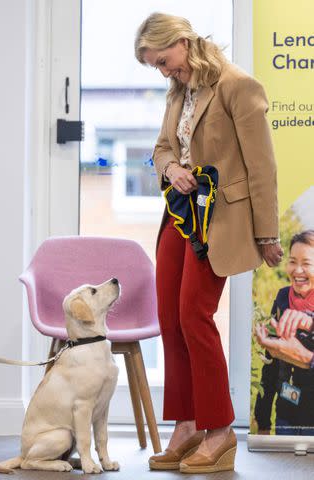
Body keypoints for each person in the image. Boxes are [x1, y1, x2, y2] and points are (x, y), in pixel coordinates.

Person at [134, 12, 283, 474]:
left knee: (193, 315)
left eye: (164, 61)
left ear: (182, 41)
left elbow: (262, 167)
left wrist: (267, 233)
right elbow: (161, 148)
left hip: (219, 221)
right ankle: (187, 424)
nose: (164, 72)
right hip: (179, 218)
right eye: (156, 67)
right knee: (168, 317)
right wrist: (170, 169)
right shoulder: (180, 90)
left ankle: (219, 432)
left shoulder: (239, 86)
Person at [254, 230, 314, 435]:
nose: (297, 270)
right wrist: (262, 422)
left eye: (306, 264)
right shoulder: (282, 298)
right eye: (292, 261)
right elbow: (269, 365)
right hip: (286, 412)